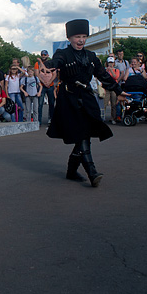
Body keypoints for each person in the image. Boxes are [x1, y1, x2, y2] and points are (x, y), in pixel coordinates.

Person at [38, 19, 128, 188]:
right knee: (82, 135)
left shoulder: (91, 56)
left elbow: (103, 75)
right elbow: (55, 63)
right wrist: (47, 67)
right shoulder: (62, 54)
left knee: (84, 134)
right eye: (77, 36)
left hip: (86, 97)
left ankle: (71, 171)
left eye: (84, 36)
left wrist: (118, 90)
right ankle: (92, 172)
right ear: (70, 38)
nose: (81, 40)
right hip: (69, 98)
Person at [35, 50, 56, 125]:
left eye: (44, 54)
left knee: (51, 103)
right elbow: (37, 74)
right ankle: (39, 120)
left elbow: (54, 74)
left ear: (47, 55)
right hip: (42, 86)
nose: (43, 56)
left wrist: (49, 82)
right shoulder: (37, 64)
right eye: (42, 54)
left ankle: (51, 119)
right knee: (40, 104)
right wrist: (44, 82)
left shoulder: (51, 63)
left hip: (50, 85)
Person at [102, 57, 120, 124]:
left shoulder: (116, 70)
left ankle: (113, 118)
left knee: (114, 104)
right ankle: (102, 117)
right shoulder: (104, 70)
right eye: (109, 62)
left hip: (113, 88)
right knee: (104, 103)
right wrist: (106, 71)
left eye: (112, 63)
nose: (110, 64)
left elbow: (116, 77)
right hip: (106, 88)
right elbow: (102, 77)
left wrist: (111, 70)